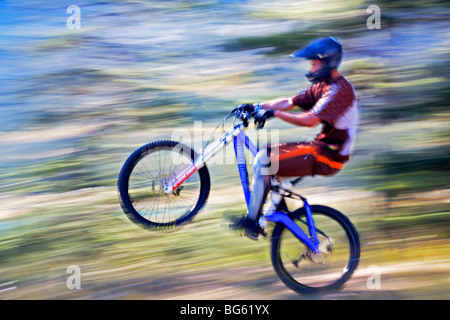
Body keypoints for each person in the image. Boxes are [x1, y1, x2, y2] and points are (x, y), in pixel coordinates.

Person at [231, 36, 359, 240]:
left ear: (328, 63)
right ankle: (274, 209)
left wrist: (275, 114)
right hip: (320, 148)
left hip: (330, 156)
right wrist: (257, 106)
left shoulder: (339, 90)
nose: (311, 67)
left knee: (264, 162)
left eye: (314, 63)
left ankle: (252, 222)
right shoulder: (322, 86)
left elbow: (309, 120)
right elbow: (290, 102)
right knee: (267, 153)